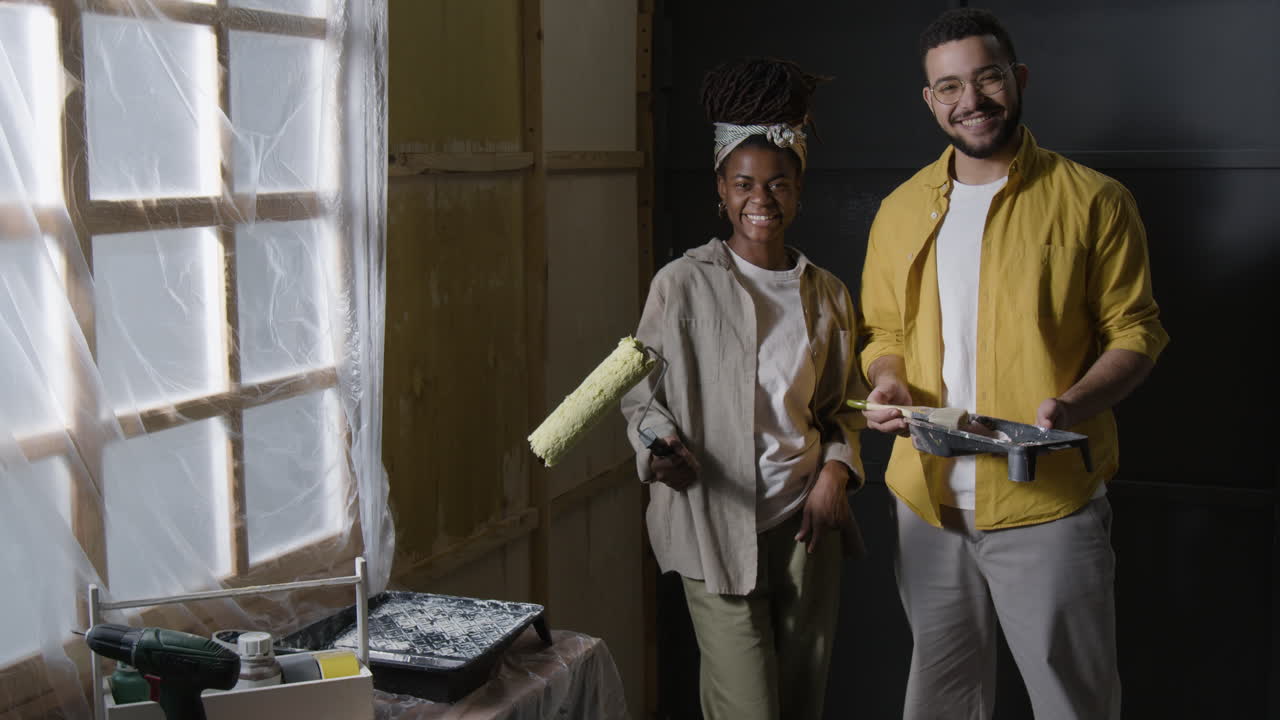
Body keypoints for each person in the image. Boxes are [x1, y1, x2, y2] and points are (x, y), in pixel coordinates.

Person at [857, 8, 1169, 719]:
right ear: (930, 100)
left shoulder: (1094, 201)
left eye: (987, 77)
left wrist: (1075, 402)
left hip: (1047, 501)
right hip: (927, 504)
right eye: (949, 87)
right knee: (941, 702)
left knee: (1072, 704)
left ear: (1018, 78)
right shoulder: (899, 210)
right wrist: (887, 378)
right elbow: (882, 331)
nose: (970, 100)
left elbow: (1136, 330)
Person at [621, 57, 865, 720]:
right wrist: (659, 448)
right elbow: (638, 396)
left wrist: (836, 473)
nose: (762, 199)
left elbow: (845, 408)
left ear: (800, 187)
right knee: (749, 707)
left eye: (779, 183)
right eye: (744, 184)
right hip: (713, 520)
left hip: (806, 525)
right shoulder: (682, 284)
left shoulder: (827, 294)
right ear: (722, 190)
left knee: (801, 700)